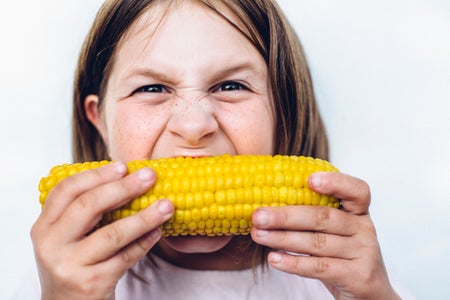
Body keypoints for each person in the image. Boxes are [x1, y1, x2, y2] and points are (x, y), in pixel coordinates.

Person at [28, 0, 401, 299]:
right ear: (100, 122)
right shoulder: (63, 281)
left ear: (282, 113)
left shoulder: (343, 278)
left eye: (231, 85)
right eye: (152, 88)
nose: (193, 128)